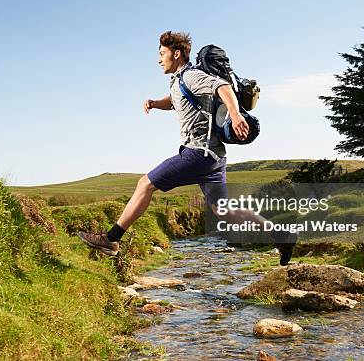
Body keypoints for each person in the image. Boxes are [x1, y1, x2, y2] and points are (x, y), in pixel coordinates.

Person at [77, 31, 295, 265]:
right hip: (214, 157)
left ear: (176, 53)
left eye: (162, 54)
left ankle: (111, 239)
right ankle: (280, 235)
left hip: (197, 154)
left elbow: (222, 86)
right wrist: (154, 103)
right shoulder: (179, 81)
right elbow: (174, 101)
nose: (159, 59)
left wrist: (235, 113)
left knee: (145, 184)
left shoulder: (191, 76)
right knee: (225, 212)